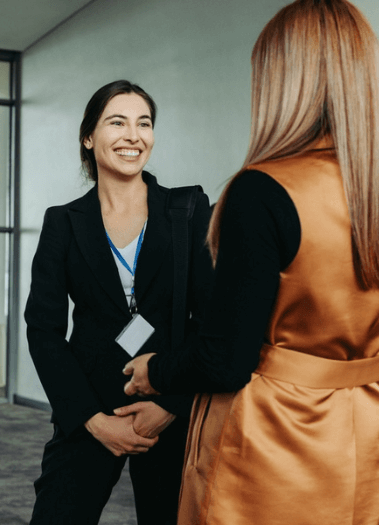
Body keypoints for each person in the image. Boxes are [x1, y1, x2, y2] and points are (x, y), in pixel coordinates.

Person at [122, 1, 379, 523]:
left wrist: (155, 371)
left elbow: (226, 358)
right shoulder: (368, 190)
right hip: (367, 431)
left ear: (284, 80)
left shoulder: (262, 191)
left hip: (276, 441)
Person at [25, 80, 214, 525]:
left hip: (172, 404)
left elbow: (211, 320)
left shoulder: (186, 210)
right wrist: (92, 420)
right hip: (90, 406)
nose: (134, 135)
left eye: (144, 123)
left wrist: (171, 406)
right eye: (117, 122)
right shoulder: (63, 223)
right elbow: (44, 330)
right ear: (88, 137)